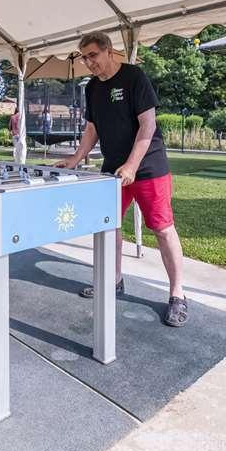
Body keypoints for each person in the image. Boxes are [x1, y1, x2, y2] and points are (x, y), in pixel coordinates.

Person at [56, 31, 188, 327]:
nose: (89, 63)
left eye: (93, 55)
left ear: (109, 52)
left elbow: (148, 125)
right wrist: (76, 158)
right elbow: (92, 128)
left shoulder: (134, 77)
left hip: (148, 166)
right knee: (108, 227)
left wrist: (131, 165)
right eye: (85, 57)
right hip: (113, 168)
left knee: (163, 229)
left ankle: (177, 295)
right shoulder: (91, 88)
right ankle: (113, 281)